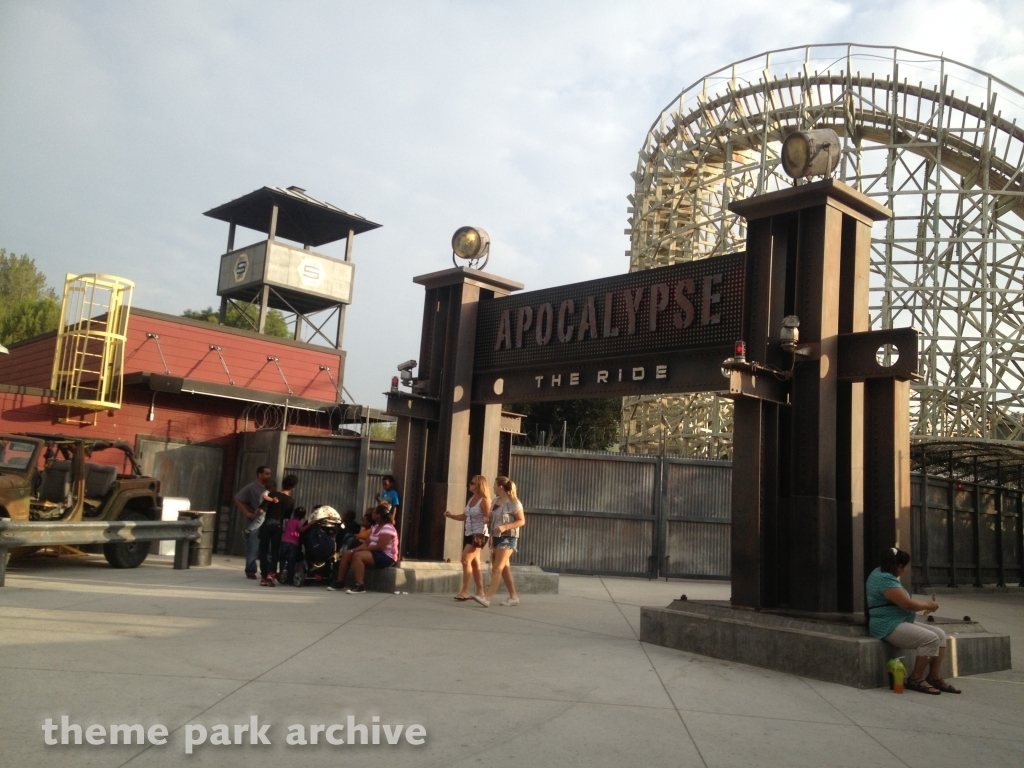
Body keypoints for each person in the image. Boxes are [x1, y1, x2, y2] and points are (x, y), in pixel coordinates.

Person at [867, 547, 961, 695]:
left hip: (898, 620)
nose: (903, 571)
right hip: (887, 625)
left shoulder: (881, 574)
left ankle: (934, 677)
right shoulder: (884, 580)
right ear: (898, 566)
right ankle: (915, 678)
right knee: (930, 638)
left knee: (940, 634)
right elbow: (907, 604)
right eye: (903, 567)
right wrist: (927, 605)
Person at [474, 476, 525, 608]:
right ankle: (513, 596)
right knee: (504, 568)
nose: (493, 487)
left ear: (501, 487)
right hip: (496, 536)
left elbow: (521, 521)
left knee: (497, 568)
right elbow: (493, 516)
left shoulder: (514, 502)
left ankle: (487, 597)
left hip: (508, 537)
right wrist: (487, 520)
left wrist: (505, 527)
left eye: (495, 485)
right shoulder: (496, 500)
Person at [327, 504, 399, 594]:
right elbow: (366, 543)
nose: (372, 515)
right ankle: (339, 582)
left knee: (358, 556)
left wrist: (363, 551)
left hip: (386, 556)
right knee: (348, 553)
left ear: (379, 515)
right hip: (374, 552)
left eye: (374, 513)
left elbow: (381, 547)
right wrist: (355, 549)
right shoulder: (375, 527)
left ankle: (360, 586)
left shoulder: (388, 528)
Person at [444, 475, 492, 600]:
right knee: (475, 562)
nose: (470, 484)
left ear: (479, 485)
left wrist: (491, 534)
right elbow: (465, 516)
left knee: (465, 559)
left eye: (472, 483)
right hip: (469, 532)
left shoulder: (484, 501)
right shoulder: (471, 499)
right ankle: (480, 591)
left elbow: (490, 518)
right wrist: (451, 516)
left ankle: (465, 590)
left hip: (480, 534)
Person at [234, 465, 272, 579]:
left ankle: (268, 571)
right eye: (266, 473)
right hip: (254, 521)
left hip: (268, 522)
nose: (269, 476)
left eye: (270, 474)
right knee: (253, 547)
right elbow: (237, 499)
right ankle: (251, 570)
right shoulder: (251, 487)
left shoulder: (271, 488)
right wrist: (247, 513)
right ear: (259, 474)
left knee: (268, 548)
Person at [258, 474, 297, 586]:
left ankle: (264, 576)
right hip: (278, 526)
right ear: (293, 488)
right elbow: (287, 516)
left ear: (282, 484)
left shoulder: (272, 494)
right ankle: (271, 574)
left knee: (264, 551)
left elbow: (262, 509)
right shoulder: (291, 501)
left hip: (266, 524)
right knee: (275, 551)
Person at [278, 506, 305, 585]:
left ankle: (282, 570)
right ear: (303, 516)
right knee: (291, 561)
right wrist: (309, 525)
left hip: (284, 542)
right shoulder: (299, 523)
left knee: (282, 558)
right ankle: (289, 579)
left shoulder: (289, 521)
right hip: (293, 544)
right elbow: (301, 530)